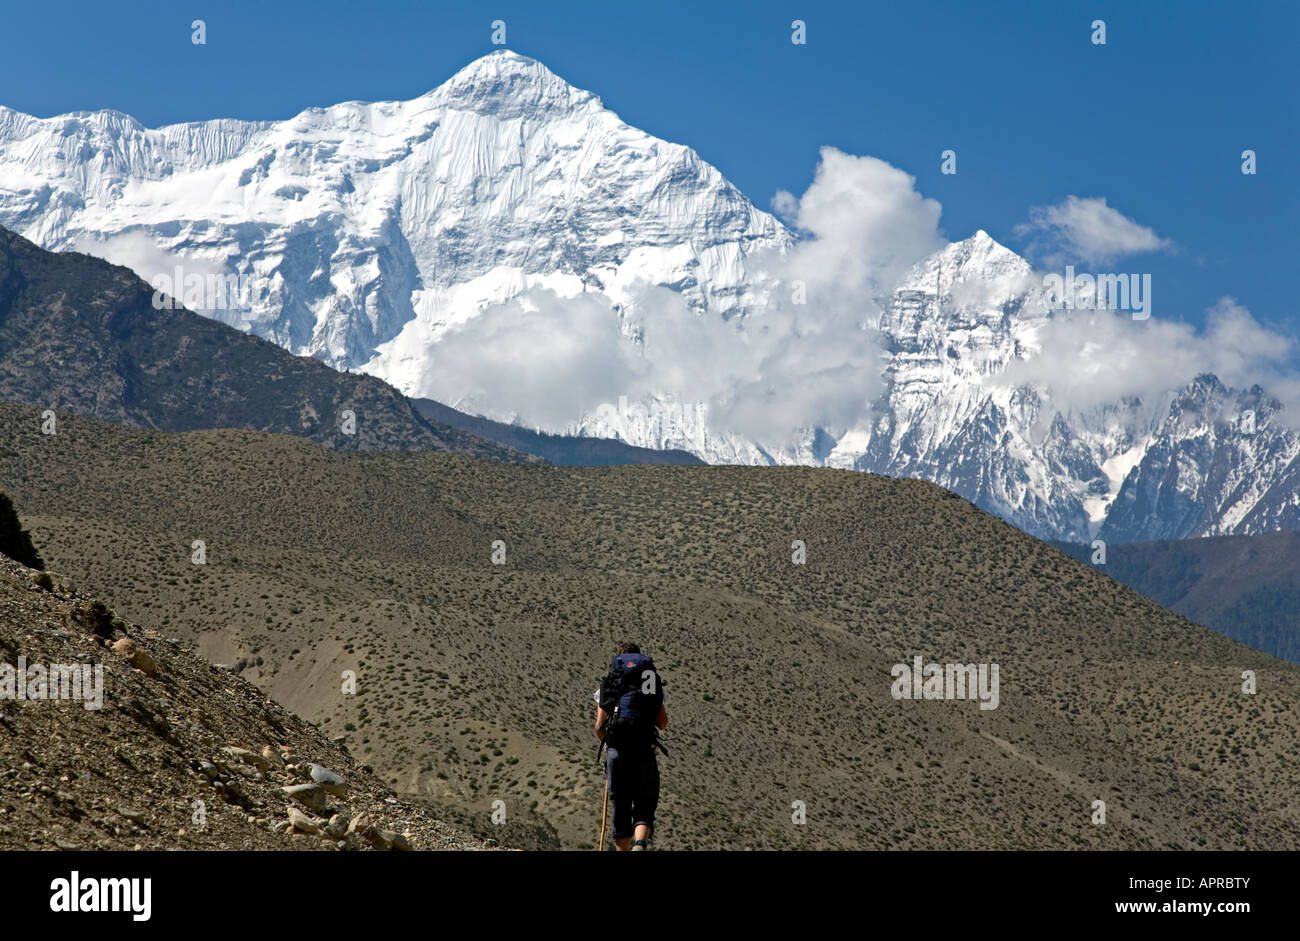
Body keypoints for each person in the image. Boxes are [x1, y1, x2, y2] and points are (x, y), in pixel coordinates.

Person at [595, 642, 668, 851]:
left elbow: (599, 727)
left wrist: (610, 747)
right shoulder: (649, 683)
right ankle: (640, 843)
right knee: (645, 805)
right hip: (644, 750)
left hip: (616, 753)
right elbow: (663, 723)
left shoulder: (611, 682)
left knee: (621, 807)